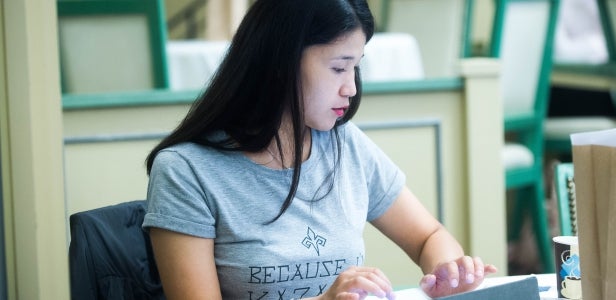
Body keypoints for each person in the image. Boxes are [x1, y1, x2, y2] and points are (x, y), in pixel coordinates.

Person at [142, 0, 497, 299]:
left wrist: (448, 272)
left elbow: (429, 237)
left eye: (355, 68)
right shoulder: (185, 170)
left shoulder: (346, 144)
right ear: (281, 63)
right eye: (338, 68)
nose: (351, 89)